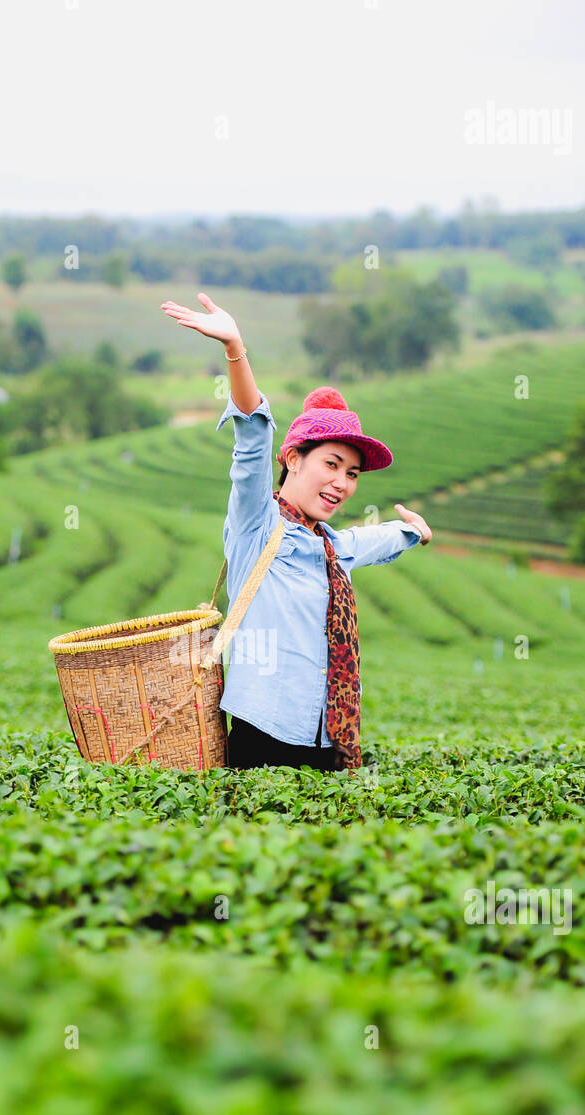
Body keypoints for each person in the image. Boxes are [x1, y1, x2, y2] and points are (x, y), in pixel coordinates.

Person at [160, 293, 432, 773]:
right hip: (263, 732)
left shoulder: (330, 549)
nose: (342, 483)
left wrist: (411, 533)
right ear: (292, 460)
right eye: (332, 464)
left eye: (352, 474)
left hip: (329, 735)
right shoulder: (255, 524)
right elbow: (251, 438)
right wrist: (234, 349)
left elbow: (371, 541)